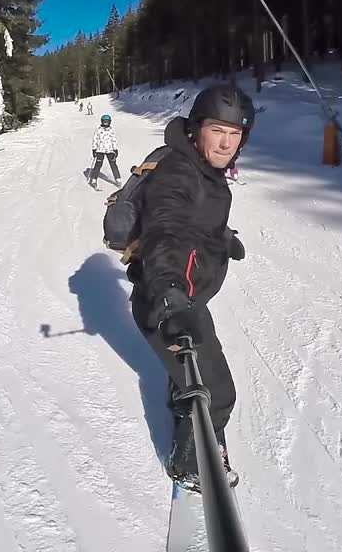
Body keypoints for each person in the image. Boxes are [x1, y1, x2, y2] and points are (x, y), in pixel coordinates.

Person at [126, 82, 254, 492]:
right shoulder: (177, 174)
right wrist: (167, 289)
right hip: (166, 300)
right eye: (218, 130)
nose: (225, 143)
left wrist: (222, 239)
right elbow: (166, 230)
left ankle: (184, 404)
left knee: (193, 370)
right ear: (197, 129)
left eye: (234, 134)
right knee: (218, 393)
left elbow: (197, 225)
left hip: (185, 296)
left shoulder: (206, 172)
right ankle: (193, 463)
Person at [89, 113, 121, 188]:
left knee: (113, 164)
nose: (106, 123)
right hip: (100, 150)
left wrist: (115, 149)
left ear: (109, 122)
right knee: (98, 164)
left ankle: (118, 179)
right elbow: (95, 140)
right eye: (104, 121)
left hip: (110, 150)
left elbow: (114, 140)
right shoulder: (98, 130)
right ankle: (94, 179)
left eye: (107, 121)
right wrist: (94, 149)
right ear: (102, 121)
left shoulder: (111, 130)